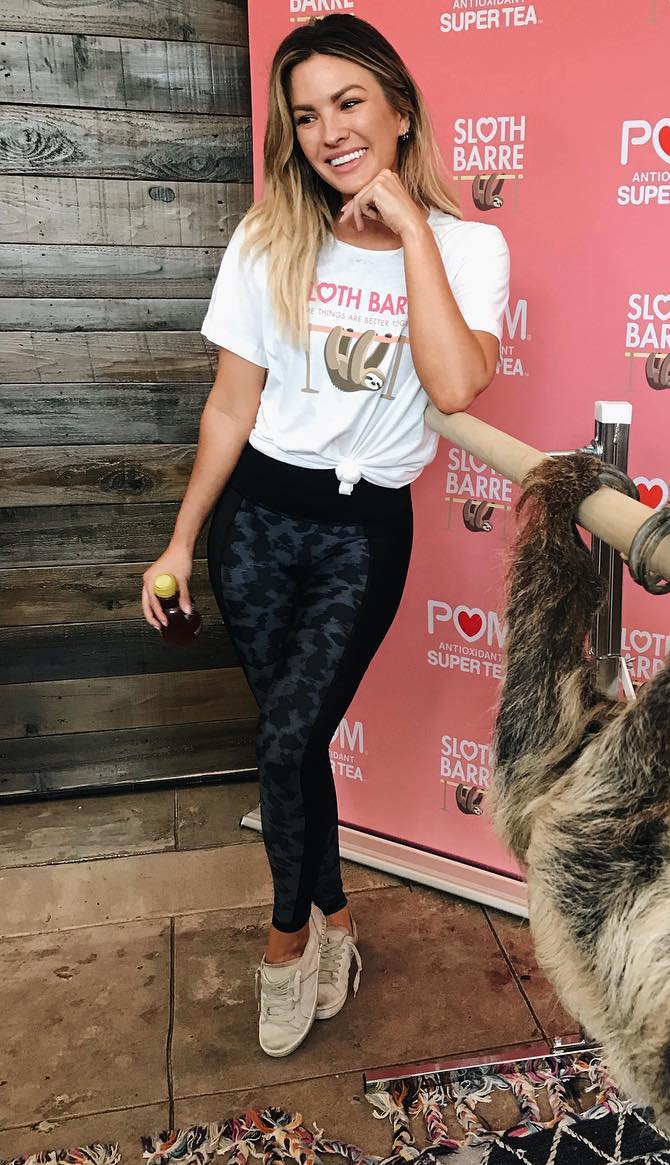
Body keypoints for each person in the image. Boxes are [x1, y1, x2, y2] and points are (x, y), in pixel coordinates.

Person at [141, 14, 509, 1058]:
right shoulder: (269, 237)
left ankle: (286, 940)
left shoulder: (470, 246)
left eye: (350, 103)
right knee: (292, 741)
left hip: (360, 528)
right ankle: (338, 919)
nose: (329, 130)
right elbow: (228, 405)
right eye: (305, 114)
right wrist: (179, 542)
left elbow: (455, 382)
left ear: (400, 110)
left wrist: (413, 232)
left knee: (288, 737)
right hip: (257, 520)